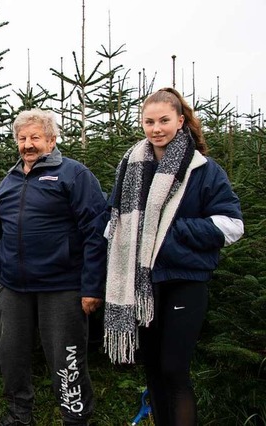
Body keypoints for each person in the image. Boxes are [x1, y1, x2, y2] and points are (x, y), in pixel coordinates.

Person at [103, 88, 243, 425]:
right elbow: (115, 223)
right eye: (149, 121)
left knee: (174, 368)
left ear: (180, 121)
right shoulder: (132, 166)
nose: (156, 128)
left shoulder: (203, 170)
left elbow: (232, 226)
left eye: (164, 120)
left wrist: (173, 229)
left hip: (184, 281)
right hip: (144, 286)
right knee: (153, 368)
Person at [0, 109, 107, 426]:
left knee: (66, 359)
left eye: (35, 137)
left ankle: (76, 417)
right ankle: (18, 414)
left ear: (52, 140)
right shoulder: (10, 180)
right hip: (13, 288)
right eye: (22, 138)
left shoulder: (74, 175)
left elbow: (96, 233)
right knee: (11, 356)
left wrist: (92, 287)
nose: (28, 144)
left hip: (63, 286)